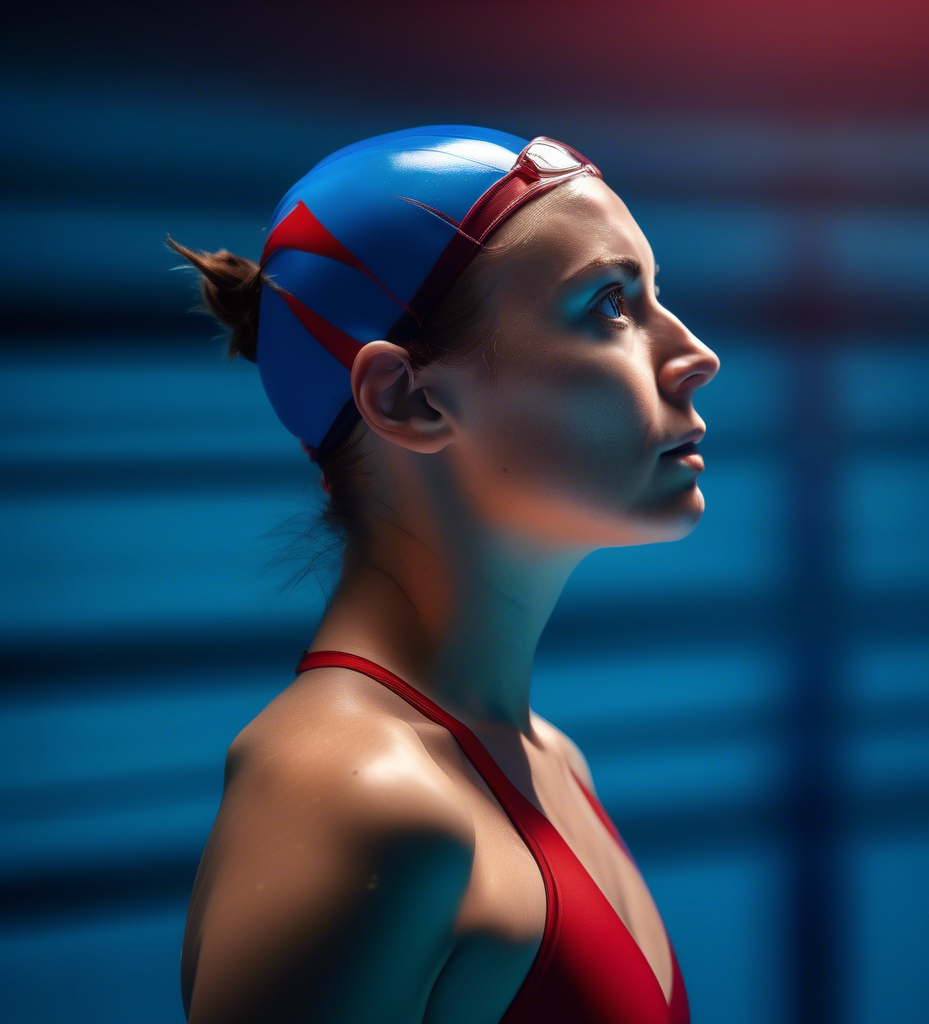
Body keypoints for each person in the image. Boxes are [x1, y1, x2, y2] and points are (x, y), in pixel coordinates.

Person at [168, 126, 719, 1024]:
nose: (696, 354)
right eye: (612, 305)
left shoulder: (546, 761)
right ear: (408, 398)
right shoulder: (360, 800)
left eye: (659, 296)